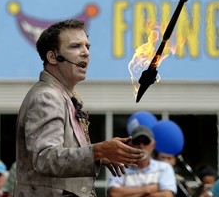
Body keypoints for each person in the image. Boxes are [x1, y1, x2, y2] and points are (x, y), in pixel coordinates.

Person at [14, 19, 144, 197]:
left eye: (87, 47)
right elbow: (45, 159)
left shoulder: (64, 96)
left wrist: (98, 156)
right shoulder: (47, 96)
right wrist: (97, 150)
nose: (85, 53)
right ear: (52, 57)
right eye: (75, 46)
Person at [106, 126, 177, 197]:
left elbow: (167, 195)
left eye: (146, 141)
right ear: (130, 144)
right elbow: (113, 193)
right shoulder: (120, 166)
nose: (141, 145)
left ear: (153, 145)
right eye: (137, 141)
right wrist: (149, 189)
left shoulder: (164, 167)